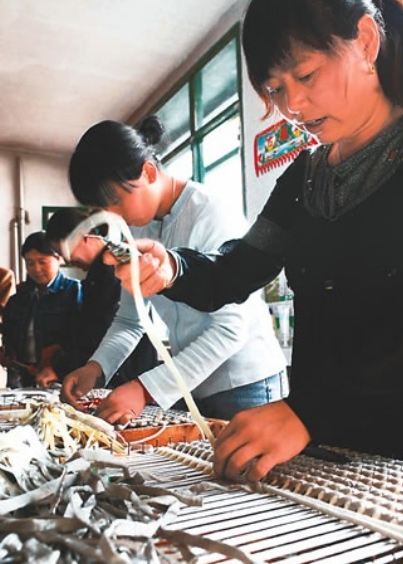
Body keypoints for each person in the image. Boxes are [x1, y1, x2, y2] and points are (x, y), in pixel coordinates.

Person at [113, 0, 403, 480]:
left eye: (305, 76)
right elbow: (237, 269)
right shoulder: (304, 180)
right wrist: (173, 268)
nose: (293, 106)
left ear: (365, 40)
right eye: (275, 89)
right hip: (331, 453)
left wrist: (310, 411)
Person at [62, 116, 288, 422]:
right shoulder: (136, 230)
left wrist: (144, 389)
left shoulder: (209, 212)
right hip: (192, 384)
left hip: (247, 384)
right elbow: (131, 319)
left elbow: (230, 329)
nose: (113, 216)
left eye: (115, 201)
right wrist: (96, 367)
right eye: (102, 209)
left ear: (148, 172)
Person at [42, 207, 159, 388]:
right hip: (117, 373)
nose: (67, 260)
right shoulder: (95, 275)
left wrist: (60, 369)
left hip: (127, 375)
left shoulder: (111, 269)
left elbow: (103, 331)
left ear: (84, 236)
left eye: (65, 251)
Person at [2, 231, 82, 388]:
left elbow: (81, 337)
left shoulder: (74, 291)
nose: (36, 269)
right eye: (30, 263)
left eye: (42, 262)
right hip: (21, 376)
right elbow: (8, 334)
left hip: (58, 375)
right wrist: (7, 355)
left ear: (58, 259)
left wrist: (57, 358)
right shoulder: (18, 297)